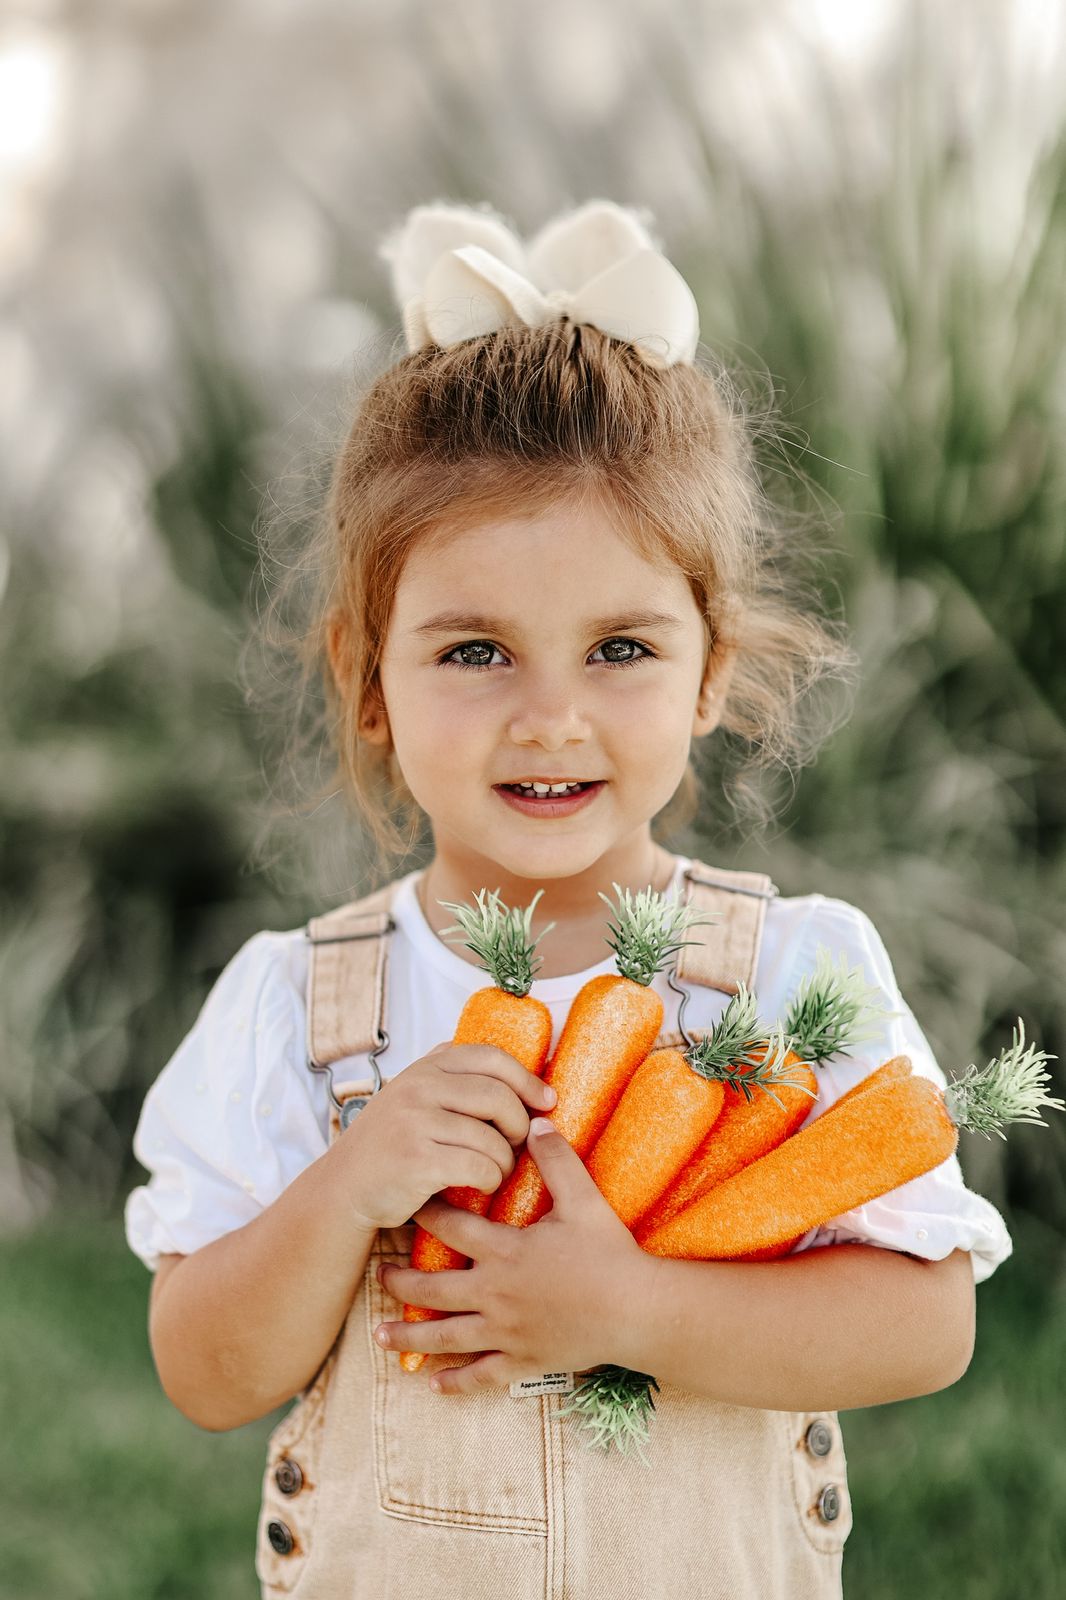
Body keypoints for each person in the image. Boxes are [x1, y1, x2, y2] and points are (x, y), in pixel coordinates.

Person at [125, 199, 1011, 1599]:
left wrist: (629, 1309)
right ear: (368, 677)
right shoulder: (299, 1006)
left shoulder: (793, 975)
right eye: (474, 650)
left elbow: (923, 1329)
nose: (550, 719)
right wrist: (348, 1188)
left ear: (709, 670)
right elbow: (206, 1372)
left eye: (617, 648)